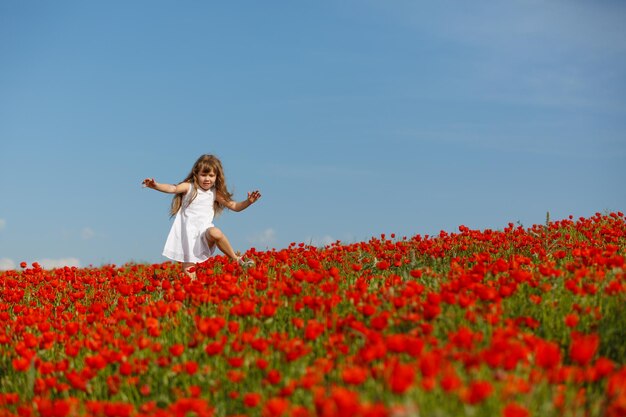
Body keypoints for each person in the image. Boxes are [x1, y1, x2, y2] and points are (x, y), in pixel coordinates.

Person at [143, 154, 261, 277]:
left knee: (216, 232)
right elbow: (173, 188)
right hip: (188, 237)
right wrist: (156, 185)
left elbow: (235, 206)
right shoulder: (189, 187)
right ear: (196, 174)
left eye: (211, 175)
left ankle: (236, 259)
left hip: (205, 233)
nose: (207, 179)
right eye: (203, 175)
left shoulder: (214, 193)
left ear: (217, 177)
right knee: (190, 277)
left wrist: (249, 202)